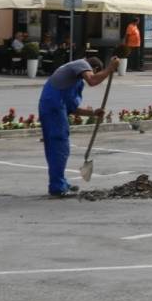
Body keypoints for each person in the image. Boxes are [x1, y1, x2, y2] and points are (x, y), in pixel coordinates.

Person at [38, 56, 119, 196]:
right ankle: (57, 187)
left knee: (58, 148)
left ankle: (60, 182)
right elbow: (93, 80)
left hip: (54, 107)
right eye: (93, 72)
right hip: (54, 108)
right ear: (93, 69)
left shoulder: (73, 79)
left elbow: (73, 108)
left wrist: (93, 113)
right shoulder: (81, 64)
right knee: (59, 148)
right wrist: (110, 68)